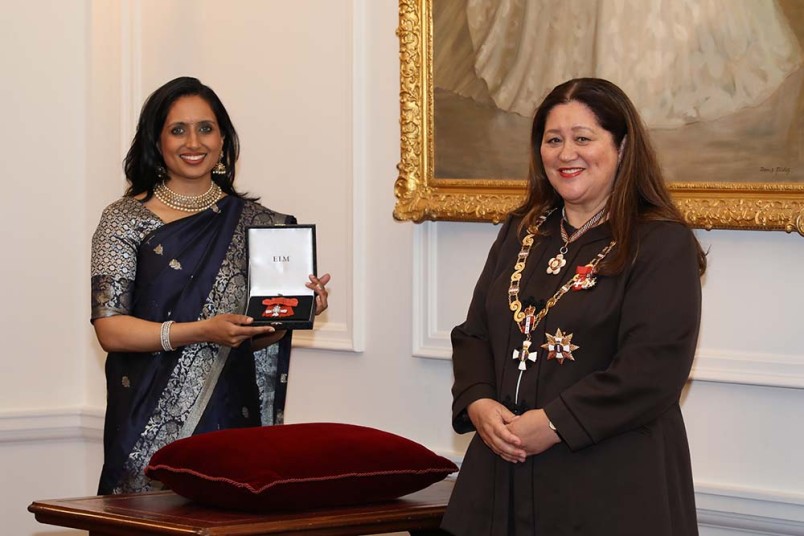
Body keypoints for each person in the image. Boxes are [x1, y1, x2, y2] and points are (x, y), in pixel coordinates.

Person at [441, 78, 707, 535]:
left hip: (609, 484)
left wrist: (555, 423)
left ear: (622, 148)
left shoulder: (662, 243)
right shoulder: (521, 231)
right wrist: (479, 401)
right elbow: (475, 333)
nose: (567, 155)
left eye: (583, 138)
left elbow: (653, 368)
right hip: (500, 475)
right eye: (553, 140)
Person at [90, 76, 331, 494]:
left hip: (228, 415)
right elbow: (111, 330)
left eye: (205, 128)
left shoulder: (256, 224)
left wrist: (295, 311)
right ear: (157, 141)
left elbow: (249, 335)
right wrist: (202, 331)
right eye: (177, 129)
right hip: (145, 417)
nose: (193, 142)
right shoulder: (123, 220)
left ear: (223, 140)